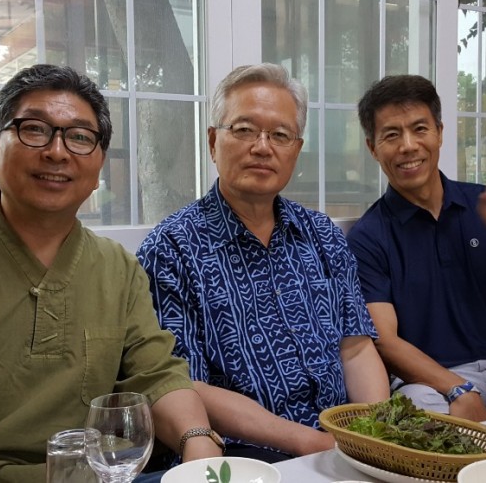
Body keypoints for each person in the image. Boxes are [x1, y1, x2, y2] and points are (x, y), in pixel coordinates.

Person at [0, 64, 222, 483]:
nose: (57, 152)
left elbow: (156, 375)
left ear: (98, 167)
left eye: (79, 137)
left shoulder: (117, 268)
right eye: (34, 130)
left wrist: (198, 444)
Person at [136, 63, 390, 462]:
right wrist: (312, 444)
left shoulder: (322, 234)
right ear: (212, 142)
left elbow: (355, 349)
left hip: (342, 444)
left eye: (280, 135)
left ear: (296, 150)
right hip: (241, 455)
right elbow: (183, 386)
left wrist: (375, 437)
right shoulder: (170, 249)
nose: (262, 147)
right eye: (244, 130)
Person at [346, 74, 486, 423]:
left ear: (440, 133)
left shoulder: (482, 202)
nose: (408, 146)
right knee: (414, 411)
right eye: (391, 135)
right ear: (373, 148)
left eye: (420, 129)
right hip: (430, 382)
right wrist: (457, 388)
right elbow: (385, 340)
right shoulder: (368, 236)